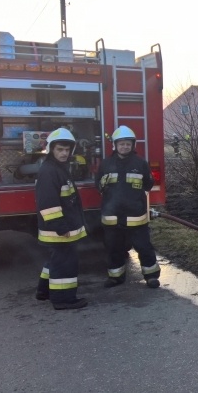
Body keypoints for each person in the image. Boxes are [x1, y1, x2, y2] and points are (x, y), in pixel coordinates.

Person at [96, 125, 161, 289]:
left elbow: (148, 183)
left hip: (135, 216)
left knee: (144, 247)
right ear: (115, 145)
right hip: (112, 217)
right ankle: (115, 277)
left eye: (127, 144)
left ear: (133, 145)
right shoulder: (106, 164)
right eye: (121, 144)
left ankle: (151, 276)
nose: (124, 147)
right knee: (114, 248)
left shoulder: (140, 163)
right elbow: (98, 184)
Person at [35, 128, 89, 310]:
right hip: (59, 229)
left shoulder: (57, 168)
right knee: (65, 264)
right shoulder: (50, 171)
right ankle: (63, 299)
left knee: (55, 261)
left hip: (59, 227)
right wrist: (60, 226)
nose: (64, 153)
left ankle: (44, 291)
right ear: (51, 149)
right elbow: (48, 204)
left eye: (67, 149)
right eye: (60, 149)